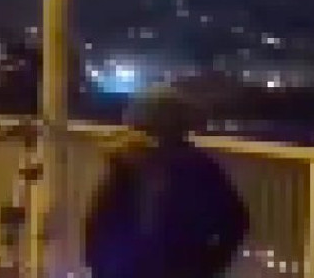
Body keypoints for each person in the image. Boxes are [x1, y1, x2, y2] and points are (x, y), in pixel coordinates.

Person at [84, 85, 249, 278]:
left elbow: (98, 222)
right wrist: (207, 265)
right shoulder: (195, 166)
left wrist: (99, 263)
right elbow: (234, 221)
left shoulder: (128, 162)